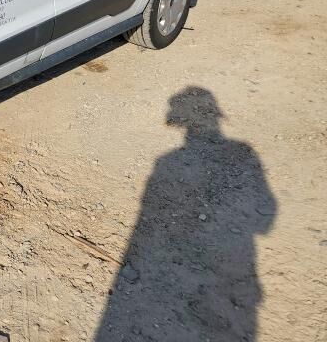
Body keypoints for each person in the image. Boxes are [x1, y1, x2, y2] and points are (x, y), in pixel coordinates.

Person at [95, 86, 276, 341]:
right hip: (233, 273)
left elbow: (265, 220)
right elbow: (265, 221)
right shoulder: (239, 152)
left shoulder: (167, 160)